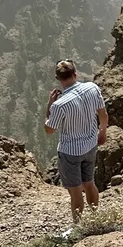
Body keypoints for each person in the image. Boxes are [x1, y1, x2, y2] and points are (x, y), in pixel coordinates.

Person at [45, 60, 108, 226]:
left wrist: (49, 106)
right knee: (89, 183)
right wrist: (102, 132)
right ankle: (96, 217)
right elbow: (102, 113)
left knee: (75, 191)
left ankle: (78, 225)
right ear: (75, 74)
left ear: (58, 79)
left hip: (70, 152)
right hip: (90, 145)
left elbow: (49, 129)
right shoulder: (92, 88)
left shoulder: (60, 105)